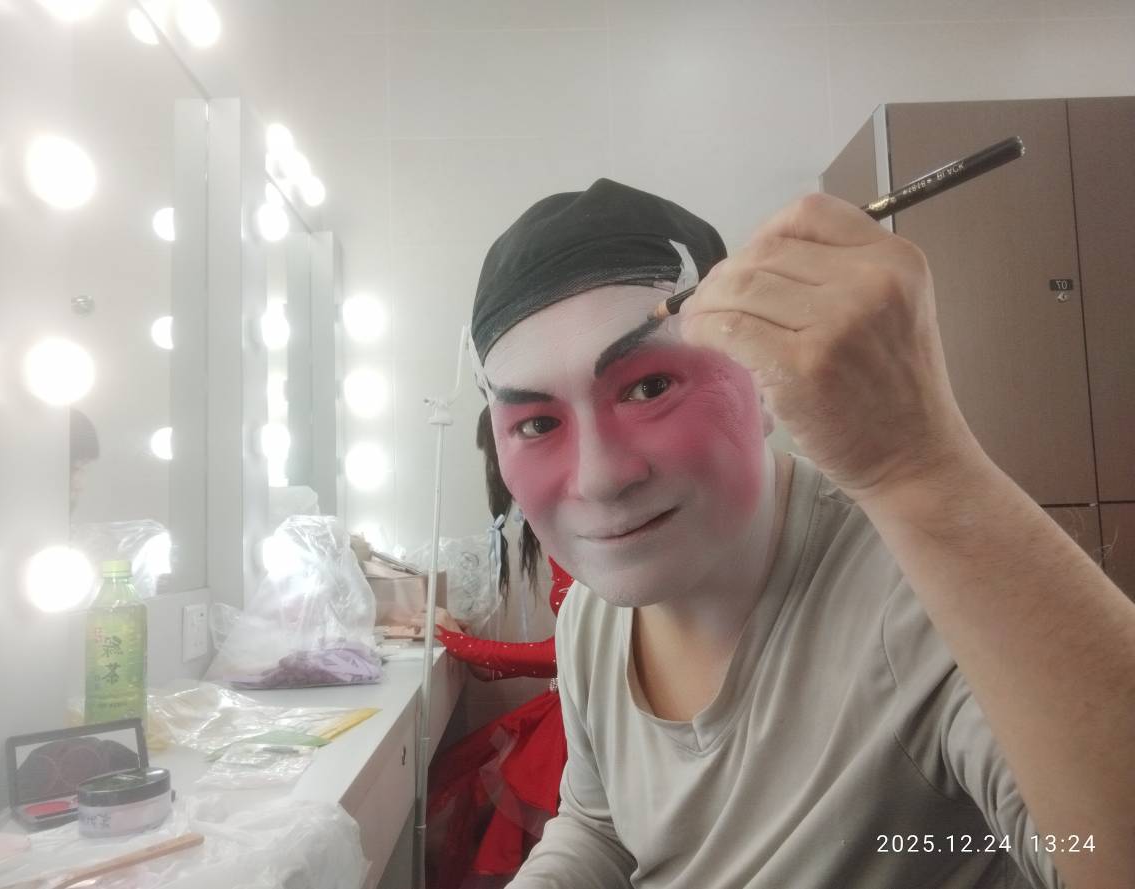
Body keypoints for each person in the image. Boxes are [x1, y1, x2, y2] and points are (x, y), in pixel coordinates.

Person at [467, 179, 1135, 889]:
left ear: (756, 382)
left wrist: (925, 466)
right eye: (537, 424)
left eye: (649, 387)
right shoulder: (589, 618)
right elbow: (599, 826)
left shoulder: (915, 596)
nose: (600, 478)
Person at [420, 408, 572, 889]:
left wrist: (461, 645)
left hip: (582, 715)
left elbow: (572, 652)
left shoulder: (579, 524)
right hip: (569, 704)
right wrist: (479, 656)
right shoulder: (555, 527)